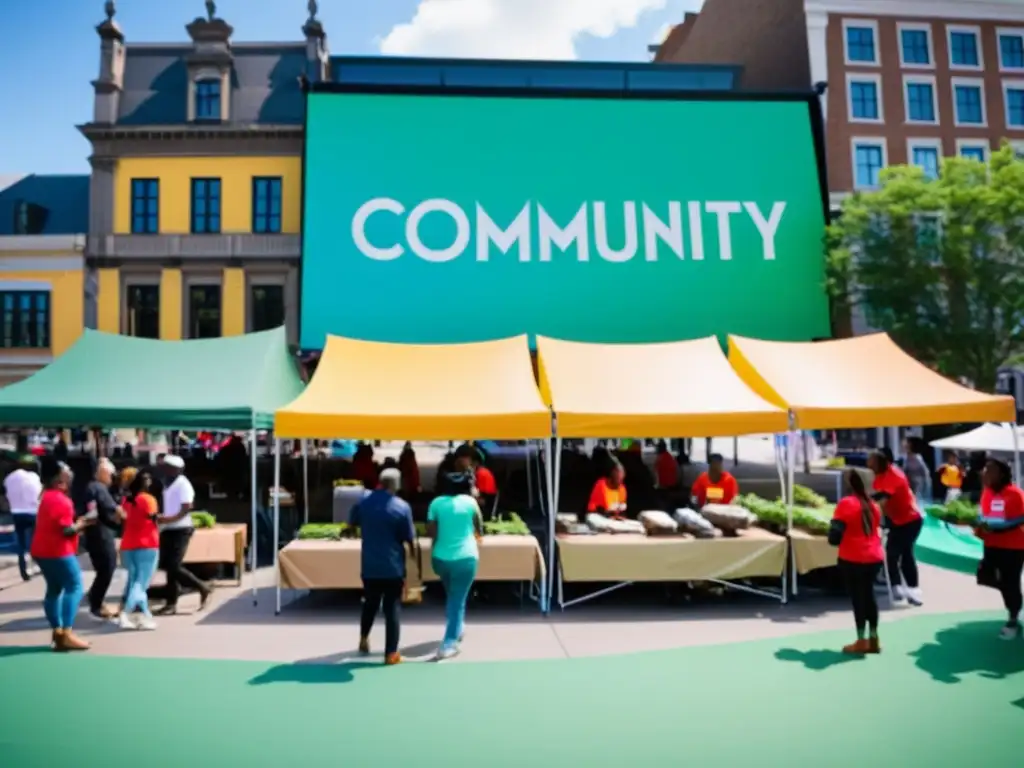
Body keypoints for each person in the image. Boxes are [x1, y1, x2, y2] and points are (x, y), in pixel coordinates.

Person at [350, 468, 416, 665]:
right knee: (392, 608)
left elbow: (352, 524)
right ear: (395, 485)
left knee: (370, 602)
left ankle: (363, 638)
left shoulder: (363, 502)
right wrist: (412, 560)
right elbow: (409, 538)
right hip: (393, 566)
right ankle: (391, 653)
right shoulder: (402, 507)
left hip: (369, 564)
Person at [31, 458, 92, 651]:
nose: (70, 472)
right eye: (66, 470)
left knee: (54, 589)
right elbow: (66, 531)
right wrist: (83, 523)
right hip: (58, 551)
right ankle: (66, 632)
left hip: (42, 550)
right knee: (74, 587)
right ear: (58, 477)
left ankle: (57, 631)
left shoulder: (47, 496)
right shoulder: (61, 500)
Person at [427, 471, 483, 661]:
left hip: (441, 558)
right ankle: (449, 643)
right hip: (466, 558)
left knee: (453, 596)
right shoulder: (470, 503)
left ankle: (457, 628)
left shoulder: (436, 503)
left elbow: (431, 531)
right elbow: (479, 527)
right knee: (457, 599)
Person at [829, 469, 885, 654]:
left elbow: (834, 537)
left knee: (858, 599)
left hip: (853, 557)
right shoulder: (874, 505)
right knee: (869, 596)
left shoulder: (846, 504)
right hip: (874, 556)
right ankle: (874, 638)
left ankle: (861, 640)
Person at [155, 454, 212, 615]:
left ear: (176, 469)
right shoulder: (167, 483)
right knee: (167, 567)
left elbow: (186, 507)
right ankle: (171, 602)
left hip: (181, 528)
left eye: (167, 467)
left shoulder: (183, 484)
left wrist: (169, 518)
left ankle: (202, 587)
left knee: (174, 565)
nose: (164, 469)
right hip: (168, 528)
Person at [976, 458, 1024, 639]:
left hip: (1013, 547)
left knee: (1010, 582)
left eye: (990, 470)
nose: (985, 473)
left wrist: (1004, 525)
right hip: (991, 544)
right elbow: (983, 514)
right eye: (985, 470)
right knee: (990, 577)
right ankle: (1015, 605)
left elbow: (1021, 518)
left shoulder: (1015, 494)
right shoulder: (986, 493)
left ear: (1001, 474)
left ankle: (1013, 618)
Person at [868, 450, 924, 605]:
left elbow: (883, 499)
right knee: (894, 554)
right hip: (895, 520)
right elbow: (878, 497)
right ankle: (899, 588)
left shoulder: (895, 476)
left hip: (910, 520)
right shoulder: (879, 476)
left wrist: (866, 505)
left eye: (872, 461)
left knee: (900, 554)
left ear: (883, 462)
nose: (869, 464)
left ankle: (910, 590)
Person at [117, 468, 160, 631]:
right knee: (141, 584)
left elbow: (123, 518)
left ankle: (145, 615)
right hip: (147, 544)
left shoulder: (126, 501)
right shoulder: (149, 499)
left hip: (128, 544)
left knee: (135, 581)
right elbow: (154, 518)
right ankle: (126, 613)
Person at [83, 457, 121, 620]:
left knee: (103, 568)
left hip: (96, 533)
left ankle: (95, 597)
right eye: (110, 475)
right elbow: (110, 509)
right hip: (101, 534)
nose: (111, 479)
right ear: (103, 473)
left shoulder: (93, 487)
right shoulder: (98, 488)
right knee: (107, 567)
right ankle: (96, 602)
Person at [5, 455, 42, 581]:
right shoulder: (34, 477)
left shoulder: (9, 478)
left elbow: (7, 494)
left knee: (20, 543)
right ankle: (39, 565)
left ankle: (23, 570)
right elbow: (38, 494)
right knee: (35, 540)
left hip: (16, 512)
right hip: (32, 512)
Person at [471, 448, 498, 521]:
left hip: (486, 505)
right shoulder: (481, 471)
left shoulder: (482, 473)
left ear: (476, 462)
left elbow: (482, 499)